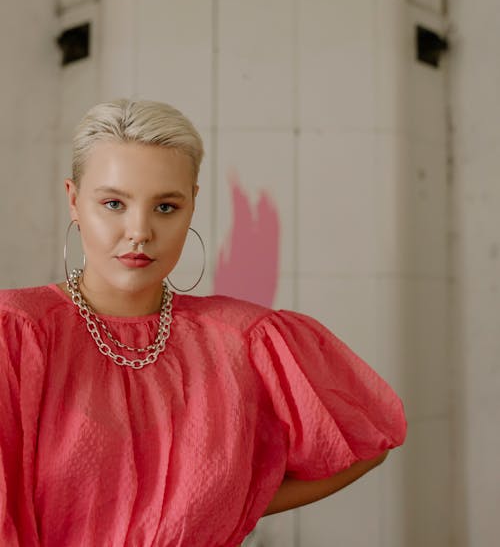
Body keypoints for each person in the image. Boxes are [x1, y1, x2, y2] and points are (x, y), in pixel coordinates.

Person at [0, 98, 407, 547]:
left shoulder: (246, 340)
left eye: (166, 207)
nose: (139, 230)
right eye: (114, 203)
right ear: (74, 201)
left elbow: (368, 441)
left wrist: (236, 504)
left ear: (193, 204)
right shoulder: (16, 336)